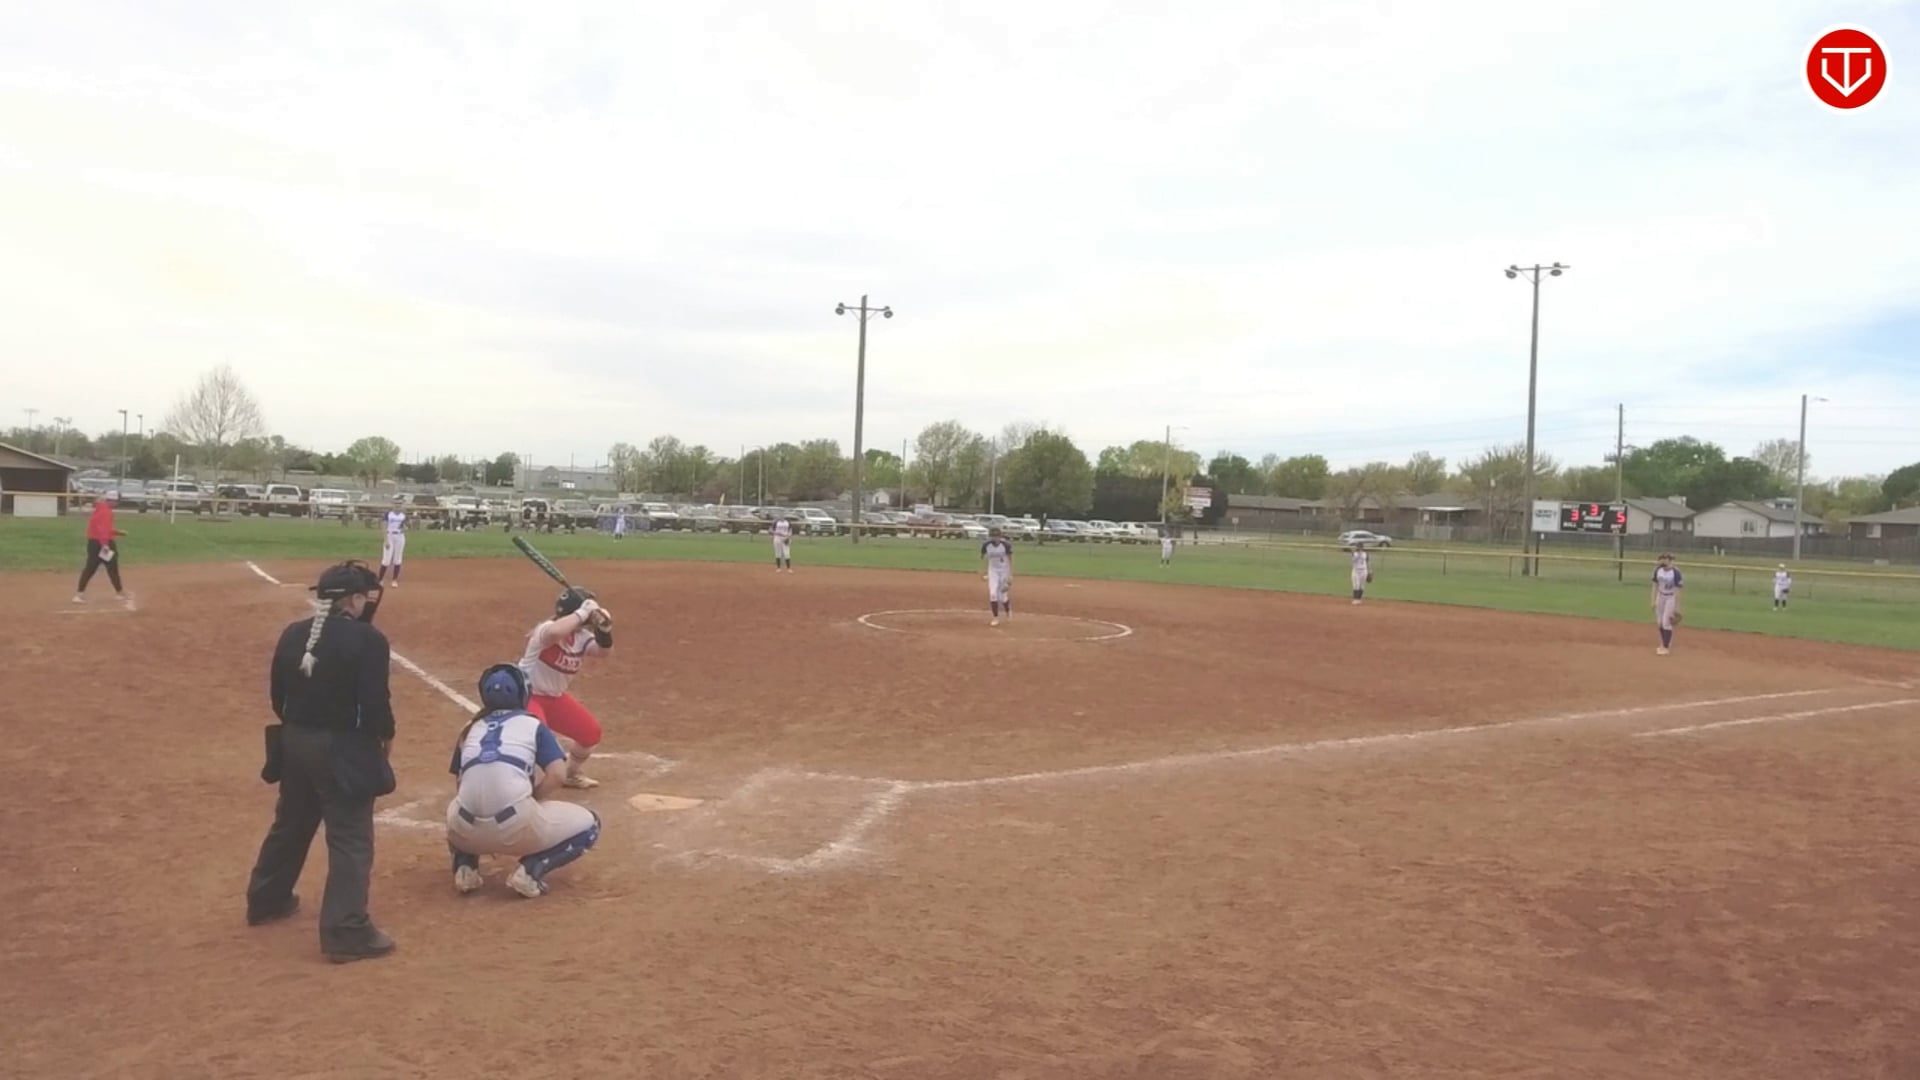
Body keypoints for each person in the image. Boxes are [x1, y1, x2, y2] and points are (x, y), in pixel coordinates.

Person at [246, 560, 398, 963]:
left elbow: (278, 697)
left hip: (295, 743)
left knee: (291, 824)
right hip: (341, 748)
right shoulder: (368, 640)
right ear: (353, 600)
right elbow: (376, 705)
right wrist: (383, 740)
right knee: (350, 837)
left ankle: (266, 899)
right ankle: (346, 930)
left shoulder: (293, 633)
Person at [447, 664, 602, 898]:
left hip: (464, 831)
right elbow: (558, 775)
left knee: (457, 806)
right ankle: (530, 872)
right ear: (523, 694)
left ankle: (465, 866)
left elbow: (460, 784)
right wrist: (533, 798)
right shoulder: (533, 725)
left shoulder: (469, 728)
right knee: (591, 825)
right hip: (516, 828)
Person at [516, 587, 616, 789]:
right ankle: (517, 784)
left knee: (590, 733)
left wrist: (604, 631)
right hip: (527, 695)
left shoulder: (581, 637)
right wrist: (583, 612)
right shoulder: (546, 629)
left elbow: (603, 652)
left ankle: (571, 774)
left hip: (554, 698)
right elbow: (555, 632)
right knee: (535, 739)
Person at [74, 493, 131, 604]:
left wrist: (117, 532)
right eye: (116, 501)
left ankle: (79, 594)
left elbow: (101, 528)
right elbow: (103, 530)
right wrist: (105, 545)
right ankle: (119, 593)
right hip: (103, 543)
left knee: (91, 568)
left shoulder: (99, 509)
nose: (117, 503)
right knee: (112, 567)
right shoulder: (106, 512)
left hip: (94, 543)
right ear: (111, 501)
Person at [1651, 551, 1684, 655]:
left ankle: (1666, 647)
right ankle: (1663, 643)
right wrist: (1653, 600)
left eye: (1665, 559)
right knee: (1660, 622)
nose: (1662, 561)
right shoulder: (1658, 570)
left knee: (1666, 622)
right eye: (1661, 559)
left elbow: (1678, 590)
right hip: (1660, 596)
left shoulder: (1676, 572)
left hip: (1671, 598)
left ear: (1670, 561)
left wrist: (1677, 607)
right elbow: (1654, 585)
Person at [981, 527, 1014, 626]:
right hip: (993, 571)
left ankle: (1008, 611)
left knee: (1003, 596)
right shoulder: (986, 545)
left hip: (1004, 571)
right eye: (993, 536)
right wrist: (984, 572)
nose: (995, 538)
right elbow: (984, 558)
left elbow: (1010, 559)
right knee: (993, 594)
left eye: (997, 536)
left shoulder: (1006, 545)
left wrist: (1010, 575)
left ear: (1000, 536)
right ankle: (995, 618)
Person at [378, 504, 407, 586]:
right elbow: (384, 526)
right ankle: (380, 579)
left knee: (397, 559)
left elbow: (405, 526)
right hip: (390, 535)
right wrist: (386, 540)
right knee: (386, 560)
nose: (398, 507)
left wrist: (405, 528)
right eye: (396, 505)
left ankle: (394, 580)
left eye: (399, 505)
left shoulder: (403, 515)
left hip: (400, 536)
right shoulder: (388, 514)